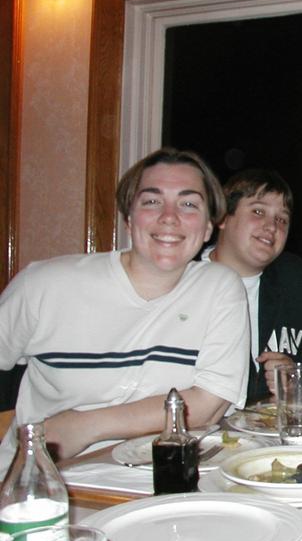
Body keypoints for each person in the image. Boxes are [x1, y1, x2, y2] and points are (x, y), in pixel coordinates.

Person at [0, 148, 249, 476]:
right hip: (43, 481)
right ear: (129, 219)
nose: (169, 216)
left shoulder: (220, 288)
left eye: (188, 204)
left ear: (207, 230)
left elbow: (208, 404)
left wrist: (83, 426)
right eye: (152, 201)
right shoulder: (45, 285)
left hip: (162, 479)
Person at [203, 168, 302, 403]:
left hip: (274, 428)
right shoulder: (186, 282)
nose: (272, 226)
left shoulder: (294, 277)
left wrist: (297, 370)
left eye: (282, 219)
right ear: (222, 218)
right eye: (258, 211)